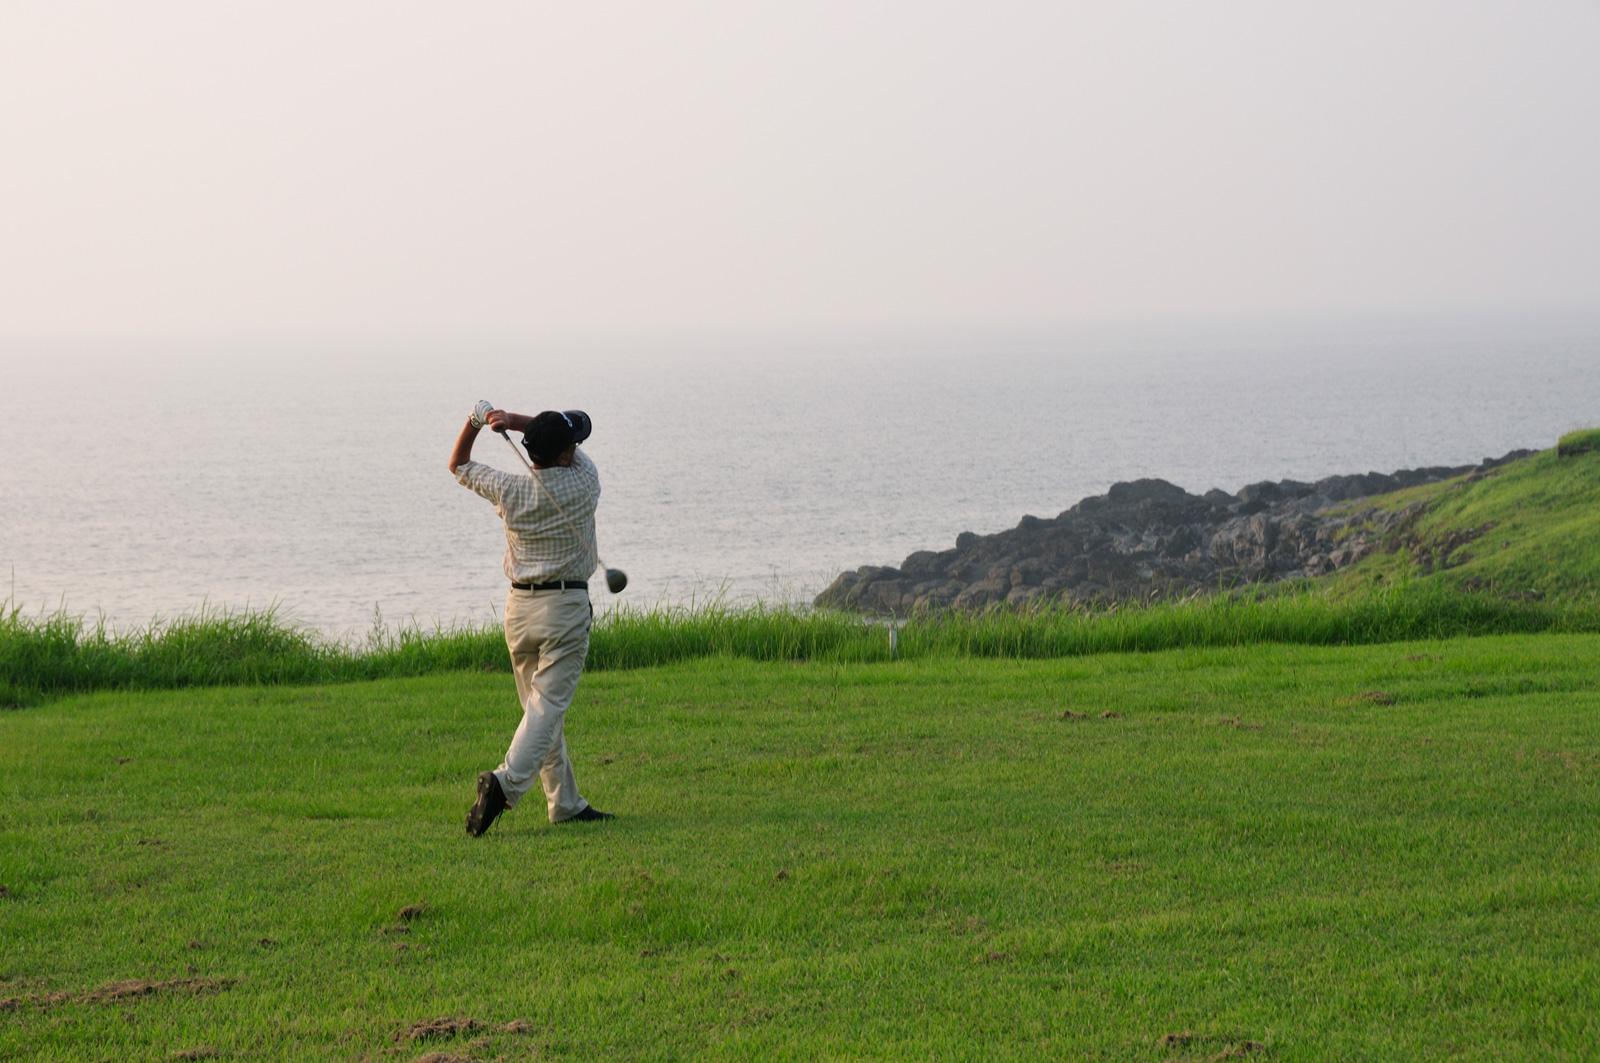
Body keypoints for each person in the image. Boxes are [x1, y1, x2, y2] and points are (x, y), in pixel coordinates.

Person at [448, 404, 614, 836]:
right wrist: (517, 420)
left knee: (539, 713)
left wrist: (477, 422)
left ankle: (565, 804)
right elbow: (567, 449)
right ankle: (504, 783)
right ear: (564, 455)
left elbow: (459, 464)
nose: (577, 447)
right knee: (546, 709)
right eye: (572, 443)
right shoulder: (584, 480)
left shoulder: (510, 489)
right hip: (565, 609)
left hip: (519, 612)